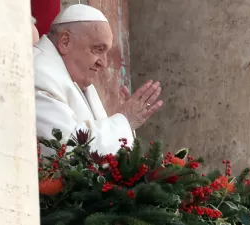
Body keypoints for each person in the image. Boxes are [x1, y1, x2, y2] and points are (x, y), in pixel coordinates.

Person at [34, 4, 162, 155]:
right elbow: (67, 148)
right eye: (98, 49)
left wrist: (119, 119)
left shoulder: (79, 79)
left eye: (106, 52)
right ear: (65, 41)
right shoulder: (37, 72)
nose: (104, 63)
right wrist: (125, 119)